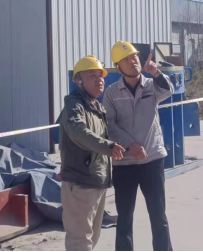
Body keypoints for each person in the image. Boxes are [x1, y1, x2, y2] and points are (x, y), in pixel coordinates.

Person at [103, 42, 175, 252]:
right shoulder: (112, 92)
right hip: (124, 163)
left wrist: (156, 73)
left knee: (158, 216)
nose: (132, 61)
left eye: (134, 57)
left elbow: (168, 90)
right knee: (124, 218)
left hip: (152, 160)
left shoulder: (151, 86)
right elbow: (109, 124)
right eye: (126, 60)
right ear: (118, 67)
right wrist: (130, 144)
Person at [59, 55, 126, 252]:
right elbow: (77, 131)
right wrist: (108, 146)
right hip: (80, 182)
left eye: (100, 75)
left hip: (97, 181)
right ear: (78, 80)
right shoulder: (75, 106)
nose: (99, 80)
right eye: (92, 76)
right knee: (80, 240)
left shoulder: (96, 106)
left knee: (92, 236)